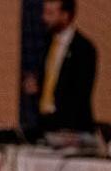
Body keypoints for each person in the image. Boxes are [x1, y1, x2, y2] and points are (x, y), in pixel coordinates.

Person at [24, 0, 98, 134]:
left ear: (65, 15)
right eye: (44, 12)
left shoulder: (84, 49)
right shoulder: (47, 42)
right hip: (45, 123)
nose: (44, 18)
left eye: (50, 13)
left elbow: (80, 94)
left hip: (71, 128)